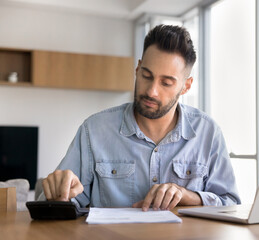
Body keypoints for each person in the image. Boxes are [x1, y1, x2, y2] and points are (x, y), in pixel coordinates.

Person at [40, 24, 241, 211]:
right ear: (137, 70)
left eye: (166, 83)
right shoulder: (94, 130)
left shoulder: (208, 133)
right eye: (146, 76)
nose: (152, 91)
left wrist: (188, 196)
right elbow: (66, 203)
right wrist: (60, 195)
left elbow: (231, 204)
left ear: (186, 86)